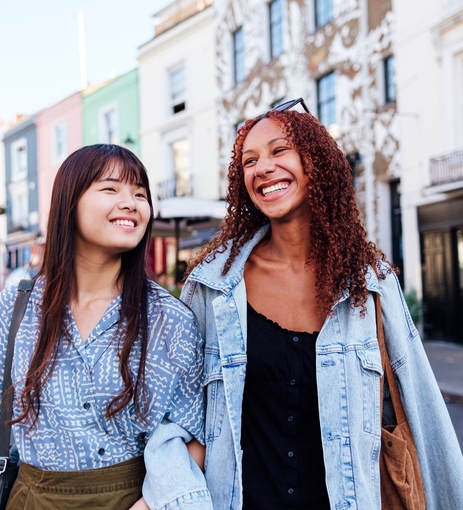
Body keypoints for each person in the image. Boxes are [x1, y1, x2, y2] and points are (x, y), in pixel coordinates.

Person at [180, 99, 463, 509]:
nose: (262, 168)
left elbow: (424, 411)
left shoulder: (371, 283)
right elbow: (185, 417)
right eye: (249, 161)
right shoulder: (213, 286)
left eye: (279, 151)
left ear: (316, 162)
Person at [0, 144, 212, 510]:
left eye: (140, 193)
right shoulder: (17, 307)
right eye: (111, 189)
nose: (131, 202)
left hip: (134, 499)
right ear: (69, 203)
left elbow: (196, 439)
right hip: (32, 499)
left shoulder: (169, 317)